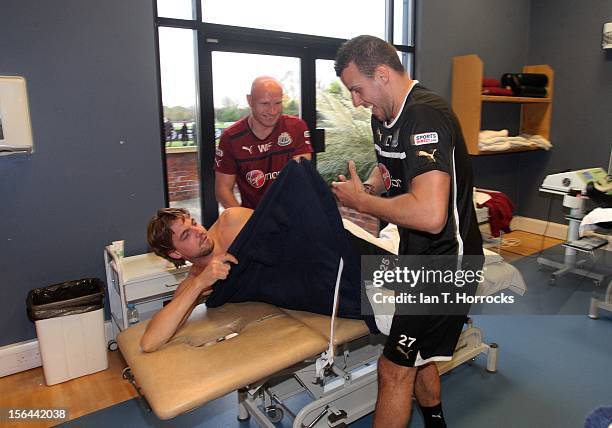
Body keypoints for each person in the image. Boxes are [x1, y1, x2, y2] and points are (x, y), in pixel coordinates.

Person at [332, 35, 483, 428]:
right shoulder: (383, 116)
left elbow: (431, 214)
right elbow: (389, 174)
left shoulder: (424, 116)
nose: (356, 101)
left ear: (382, 74)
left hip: (448, 263)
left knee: (394, 369)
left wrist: (363, 204)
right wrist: (363, 192)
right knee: (417, 355)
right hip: (418, 255)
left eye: (357, 89)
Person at [140, 207, 251, 353]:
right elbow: (149, 343)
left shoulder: (232, 220)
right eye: (186, 234)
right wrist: (200, 283)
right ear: (175, 253)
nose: (199, 231)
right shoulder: (195, 280)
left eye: (194, 223)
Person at [214, 76, 313, 209]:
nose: (272, 111)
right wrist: (246, 223)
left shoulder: (296, 127)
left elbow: (300, 177)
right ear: (250, 101)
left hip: (293, 214)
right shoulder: (231, 138)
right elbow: (223, 190)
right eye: (265, 103)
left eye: (278, 103)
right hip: (254, 218)